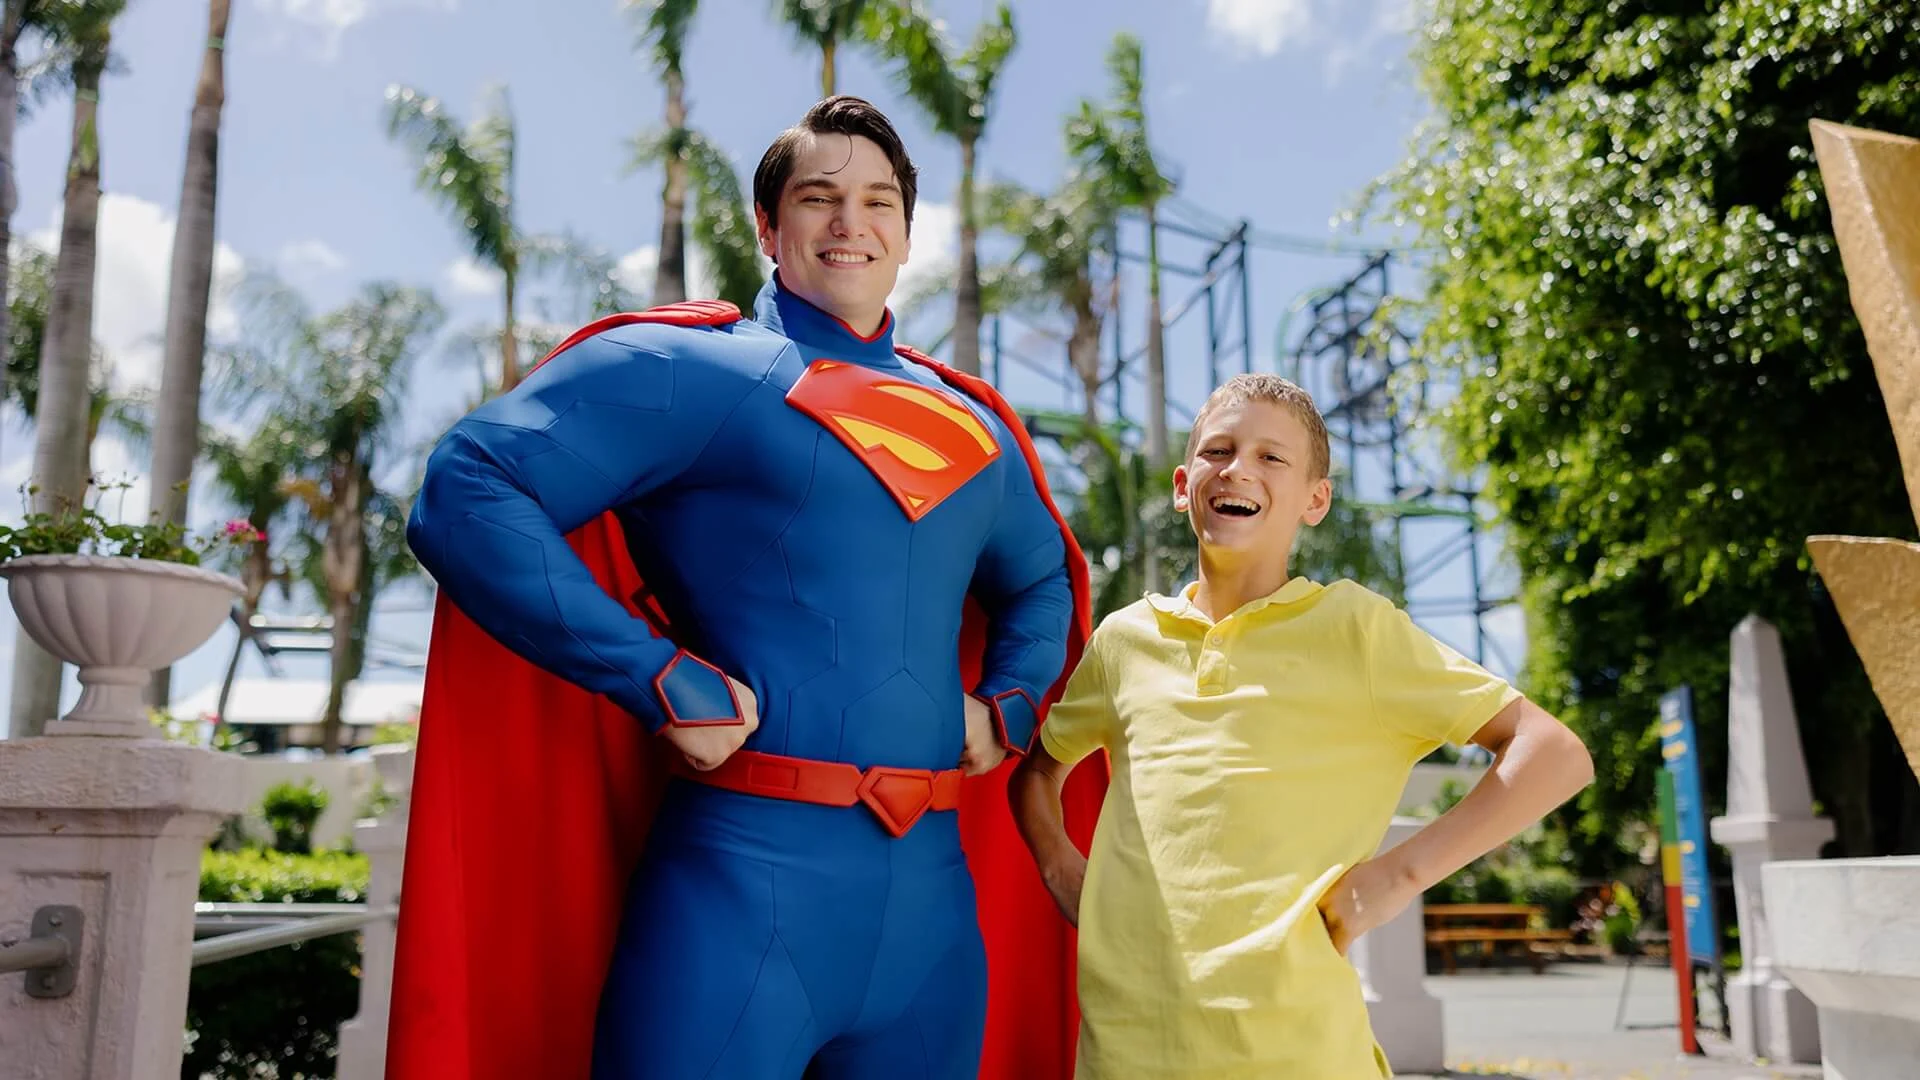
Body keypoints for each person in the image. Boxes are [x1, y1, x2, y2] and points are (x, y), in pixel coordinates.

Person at [388, 95, 1105, 1080]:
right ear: (770, 228)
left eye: (877, 201)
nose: (851, 223)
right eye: (820, 198)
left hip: (932, 915)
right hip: (741, 894)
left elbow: (1041, 581)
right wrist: (654, 674)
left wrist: (1012, 704)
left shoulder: (972, 425)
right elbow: (464, 487)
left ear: (905, 233)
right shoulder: (698, 369)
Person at [1008, 373, 1596, 1079]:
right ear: (1181, 483)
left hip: (1302, 1055)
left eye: (1271, 457)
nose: (1237, 469)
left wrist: (1396, 877)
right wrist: (1058, 863)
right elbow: (1039, 770)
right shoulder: (1125, 641)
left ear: (1315, 500)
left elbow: (1551, 753)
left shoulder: (1357, 631)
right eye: (1218, 450)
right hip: (1125, 1052)